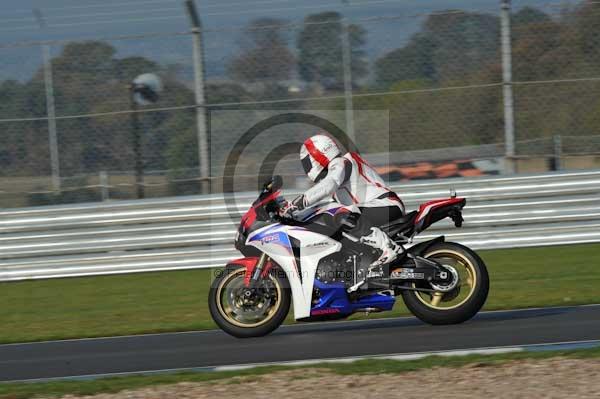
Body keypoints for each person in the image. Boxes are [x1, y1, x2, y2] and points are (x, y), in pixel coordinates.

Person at [286, 134, 405, 269]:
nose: (306, 166)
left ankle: (388, 248)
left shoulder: (342, 162)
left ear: (318, 154)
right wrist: (295, 215)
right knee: (333, 218)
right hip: (372, 210)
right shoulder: (337, 181)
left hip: (386, 205)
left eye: (307, 161)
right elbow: (322, 200)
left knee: (339, 212)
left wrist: (296, 204)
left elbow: (329, 184)